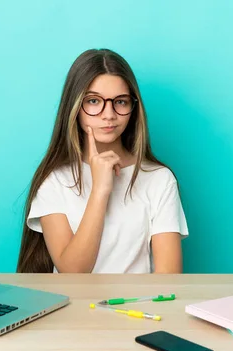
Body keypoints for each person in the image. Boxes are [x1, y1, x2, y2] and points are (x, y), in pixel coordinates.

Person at [16, 48, 188, 274]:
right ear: (75, 107)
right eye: (94, 101)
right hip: (73, 308)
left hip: (134, 308)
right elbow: (73, 272)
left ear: (133, 108)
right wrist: (99, 191)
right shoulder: (55, 181)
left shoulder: (158, 179)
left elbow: (168, 278)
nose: (109, 114)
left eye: (121, 102)